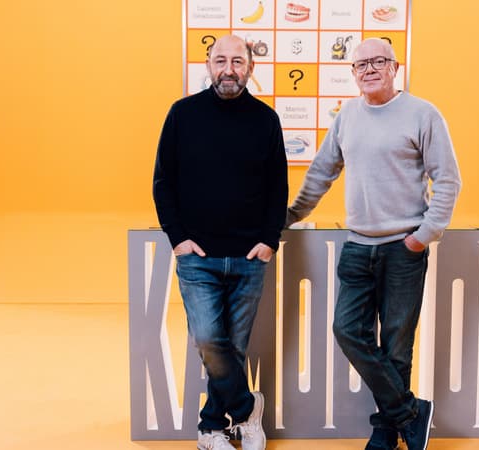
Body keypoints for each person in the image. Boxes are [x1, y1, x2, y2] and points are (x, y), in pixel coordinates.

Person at [285, 38, 461, 450]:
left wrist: (423, 236)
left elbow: (448, 179)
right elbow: (321, 173)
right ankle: (409, 414)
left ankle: (386, 430)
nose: (368, 69)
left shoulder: (423, 114)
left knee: (397, 343)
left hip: (404, 248)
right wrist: (290, 215)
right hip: (357, 247)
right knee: (347, 330)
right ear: (353, 73)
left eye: (378, 61)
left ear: (395, 67)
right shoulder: (347, 116)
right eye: (360, 64)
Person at [153, 34, 288, 450]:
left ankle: (212, 427)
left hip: (249, 258)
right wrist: (178, 239)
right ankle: (247, 409)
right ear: (208, 65)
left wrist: (269, 241)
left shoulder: (266, 120)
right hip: (199, 258)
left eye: (238, 61)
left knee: (235, 349)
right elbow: (163, 182)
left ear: (251, 67)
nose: (229, 69)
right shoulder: (182, 114)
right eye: (220, 60)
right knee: (209, 340)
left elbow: (278, 187)